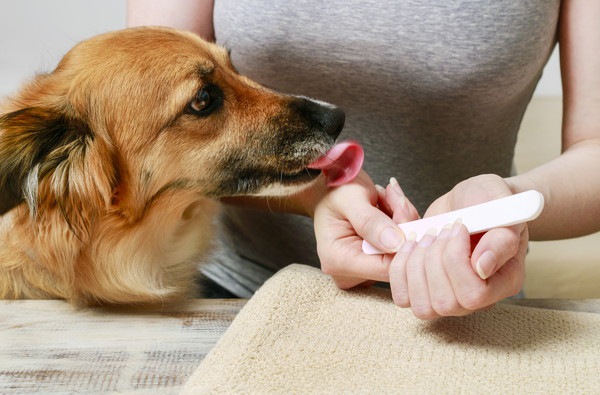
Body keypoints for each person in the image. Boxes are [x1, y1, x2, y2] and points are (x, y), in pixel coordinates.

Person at [127, 0, 600, 319]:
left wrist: (507, 201)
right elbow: (144, 140)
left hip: (464, 304)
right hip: (232, 297)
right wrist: (315, 195)